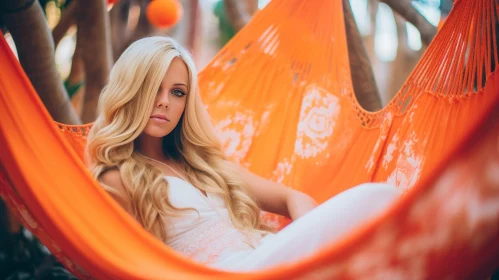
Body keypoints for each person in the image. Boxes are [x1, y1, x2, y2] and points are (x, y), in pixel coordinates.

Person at [85, 36, 400, 272]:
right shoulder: (117, 177)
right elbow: (122, 265)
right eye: (154, 87)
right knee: (375, 198)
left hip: (270, 258)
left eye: (178, 92)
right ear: (131, 90)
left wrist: (312, 238)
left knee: (380, 202)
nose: (165, 101)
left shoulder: (203, 166)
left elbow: (292, 198)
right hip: (228, 274)